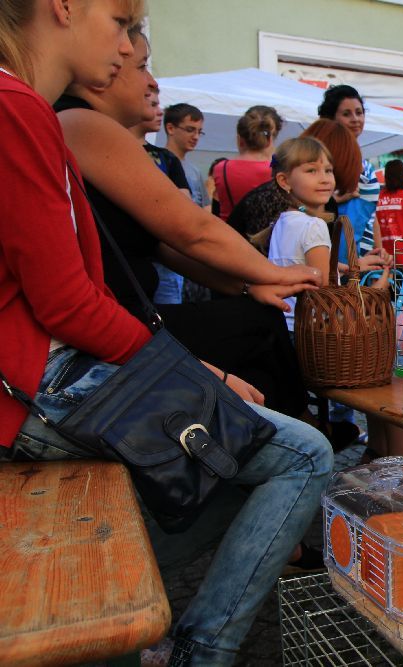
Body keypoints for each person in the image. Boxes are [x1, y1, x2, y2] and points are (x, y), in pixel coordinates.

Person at [0, 3, 331, 665]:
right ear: (64, 7)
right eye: (122, 22)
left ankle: (123, 606)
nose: (129, 49)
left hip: (41, 382)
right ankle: (197, 651)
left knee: (241, 462)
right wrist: (189, 369)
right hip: (42, 384)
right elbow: (68, 302)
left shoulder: (29, 108)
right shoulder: (20, 108)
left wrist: (198, 362)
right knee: (305, 455)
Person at [55, 29, 315, 419]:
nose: (151, 82)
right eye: (142, 66)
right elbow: (189, 229)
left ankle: (271, 440)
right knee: (260, 327)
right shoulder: (80, 121)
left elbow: (163, 245)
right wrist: (275, 273)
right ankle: (300, 443)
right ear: (102, 76)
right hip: (115, 328)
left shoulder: (81, 122)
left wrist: (248, 283)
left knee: (254, 325)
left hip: (125, 318)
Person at [258, 137, 403, 459]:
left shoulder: (283, 222)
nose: (325, 177)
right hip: (317, 335)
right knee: (386, 376)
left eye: (327, 169)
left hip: (286, 328)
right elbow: (325, 286)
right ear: (285, 181)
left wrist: (353, 265)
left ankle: (379, 452)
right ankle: (395, 462)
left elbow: (305, 268)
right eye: (312, 170)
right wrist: (373, 285)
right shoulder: (314, 226)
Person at [130, 79, 189, 306]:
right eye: (152, 104)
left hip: (165, 255)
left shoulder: (165, 157)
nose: (159, 112)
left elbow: (182, 205)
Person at [318, 84, 382, 264]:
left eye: (359, 112)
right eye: (346, 114)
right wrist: (334, 200)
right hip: (340, 257)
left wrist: (379, 249)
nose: (355, 119)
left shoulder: (363, 162)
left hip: (364, 255)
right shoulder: (326, 159)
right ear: (332, 118)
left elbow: (371, 213)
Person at [214, 105, 282, 221]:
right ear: (270, 139)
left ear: (240, 139)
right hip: (269, 235)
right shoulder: (279, 170)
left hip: (230, 233)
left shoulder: (221, 167)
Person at [164, 102, 210, 209]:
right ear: (170, 128)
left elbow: (206, 208)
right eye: (190, 130)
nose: (196, 137)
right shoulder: (158, 162)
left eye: (199, 132)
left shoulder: (195, 171)